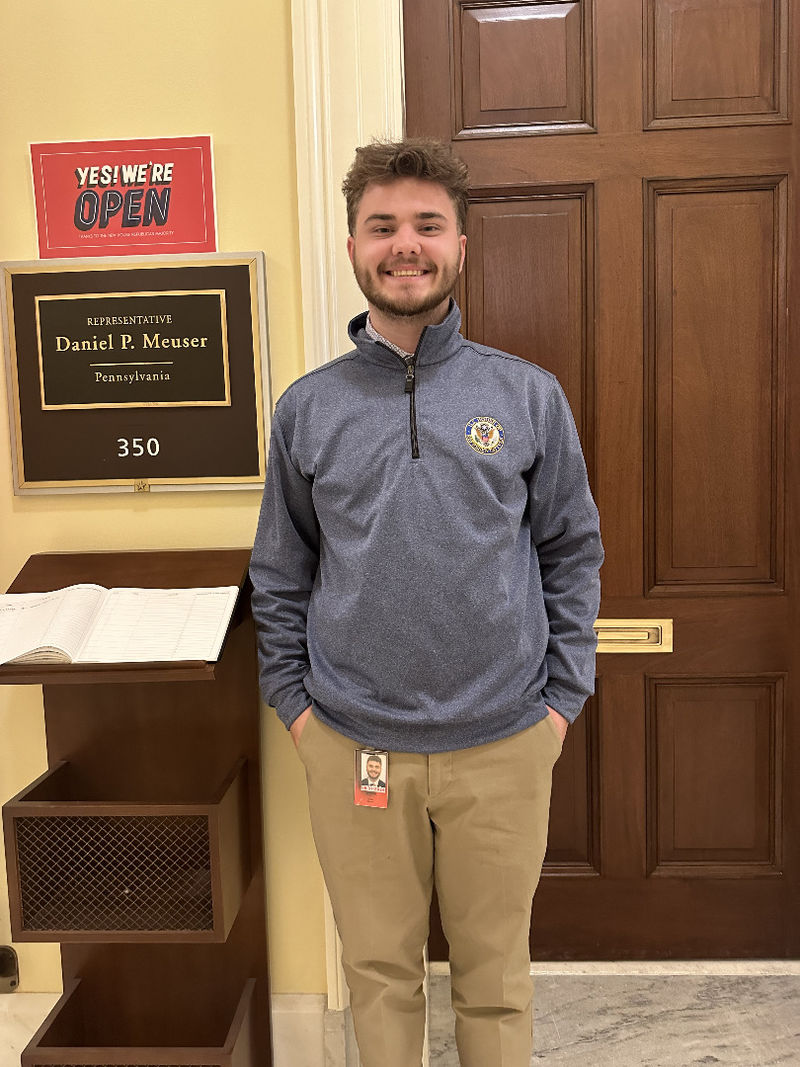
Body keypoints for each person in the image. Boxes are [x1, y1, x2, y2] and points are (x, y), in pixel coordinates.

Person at [250, 138, 603, 1067]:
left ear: (458, 241)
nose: (405, 245)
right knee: (376, 969)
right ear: (355, 243)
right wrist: (297, 710)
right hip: (352, 741)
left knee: (496, 975)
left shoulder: (526, 395)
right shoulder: (307, 409)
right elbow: (280, 575)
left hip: (505, 739)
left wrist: (560, 702)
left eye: (426, 225)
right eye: (383, 226)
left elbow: (572, 550)